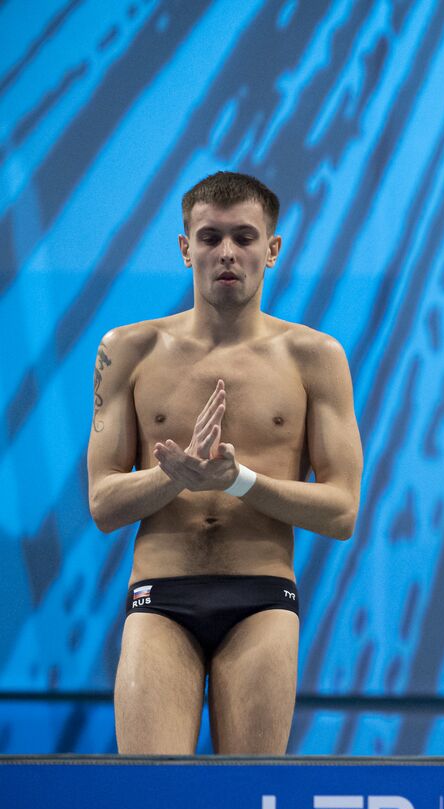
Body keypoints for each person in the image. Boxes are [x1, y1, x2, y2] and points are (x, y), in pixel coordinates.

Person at [87, 171, 363, 754]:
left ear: (273, 248)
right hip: (160, 595)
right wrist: (172, 477)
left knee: (251, 802)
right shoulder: (127, 351)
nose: (228, 253)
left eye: (244, 236)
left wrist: (238, 480)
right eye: (210, 237)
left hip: (261, 599)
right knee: (155, 799)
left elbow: (341, 512)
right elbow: (103, 505)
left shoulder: (314, 357)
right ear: (186, 248)